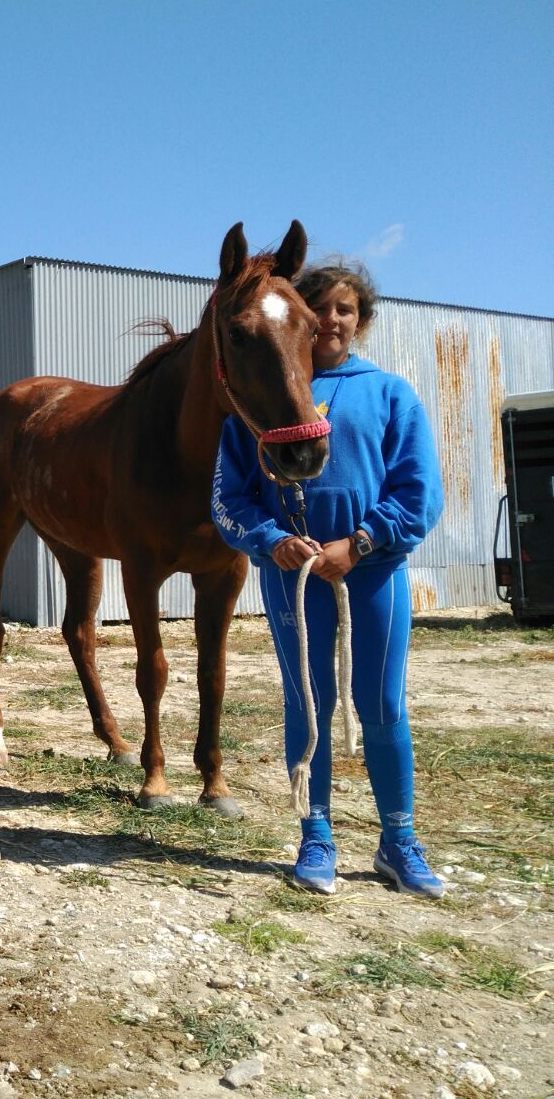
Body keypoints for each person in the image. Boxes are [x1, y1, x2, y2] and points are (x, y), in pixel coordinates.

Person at [212, 259, 445, 898]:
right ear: (302, 322)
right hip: (292, 578)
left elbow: (420, 492)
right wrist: (271, 540)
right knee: (307, 703)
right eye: (322, 311)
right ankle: (315, 836)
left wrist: (362, 543)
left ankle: (399, 841)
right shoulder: (254, 409)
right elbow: (229, 499)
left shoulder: (390, 392)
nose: (333, 321)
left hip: (371, 576)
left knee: (382, 704)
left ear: (360, 320)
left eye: (346, 309)